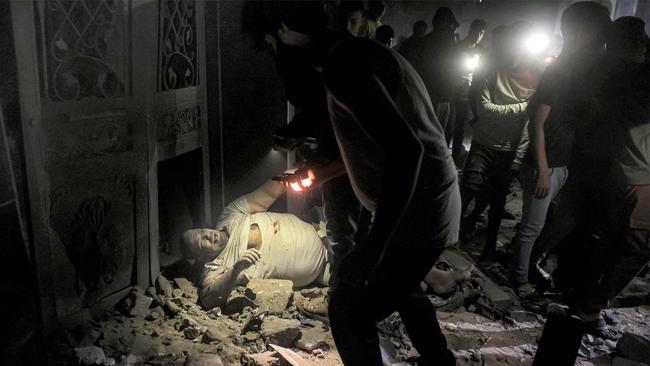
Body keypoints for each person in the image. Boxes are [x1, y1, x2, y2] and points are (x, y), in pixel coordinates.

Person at [324, 39, 460, 365]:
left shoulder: (345, 67)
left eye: (271, 45)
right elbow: (373, 145)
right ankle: (439, 361)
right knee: (405, 289)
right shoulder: (358, 59)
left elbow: (406, 150)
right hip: (417, 206)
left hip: (418, 209)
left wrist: (372, 249)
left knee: (348, 309)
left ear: (285, 31)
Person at [533, 15, 648, 366]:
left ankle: (582, 307)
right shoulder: (632, 77)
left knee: (597, 244)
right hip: (631, 174)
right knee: (635, 243)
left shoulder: (594, 72)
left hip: (605, 172)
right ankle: (588, 306)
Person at [184, 177, 471, 311]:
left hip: (323, 233)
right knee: (375, 266)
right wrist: (235, 270)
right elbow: (209, 299)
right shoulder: (217, 266)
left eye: (201, 231)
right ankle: (432, 282)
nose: (207, 236)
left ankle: (433, 279)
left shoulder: (231, 215)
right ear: (201, 257)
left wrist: (295, 175)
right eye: (201, 243)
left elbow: (265, 194)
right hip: (324, 269)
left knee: (376, 246)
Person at [510, 1, 610, 298]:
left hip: (561, 161)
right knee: (532, 226)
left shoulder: (576, 72)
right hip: (547, 162)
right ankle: (519, 280)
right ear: (584, 31)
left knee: (564, 221)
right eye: (600, 29)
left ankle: (530, 263)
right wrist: (542, 168)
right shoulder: (559, 73)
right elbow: (536, 123)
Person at [460, 22, 541, 263]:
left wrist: (517, 158)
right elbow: (484, 109)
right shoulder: (492, 71)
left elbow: (529, 125)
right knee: (468, 189)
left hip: (508, 150)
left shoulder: (536, 77)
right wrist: (522, 107)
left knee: (497, 202)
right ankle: (451, 237)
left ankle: (487, 249)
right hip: (483, 142)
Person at [408, 7, 461, 141]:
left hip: (443, 96)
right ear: (439, 23)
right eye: (449, 24)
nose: (451, 28)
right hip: (433, 96)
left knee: (437, 136)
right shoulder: (429, 43)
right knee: (432, 137)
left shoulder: (446, 43)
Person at [451, 19, 487, 163]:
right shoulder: (458, 47)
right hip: (453, 90)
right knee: (448, 125)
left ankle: (455, 155)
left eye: (482, 32)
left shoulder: (481, 51)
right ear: (470, 30)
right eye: (477, 31)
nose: (479, 35)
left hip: (469, 92)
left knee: (461, 125)